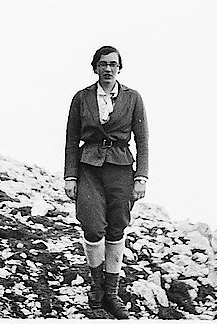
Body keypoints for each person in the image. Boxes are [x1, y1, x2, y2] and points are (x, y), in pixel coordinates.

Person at [64, 45, 149, 319]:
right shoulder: (81, 98)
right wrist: (70, 175)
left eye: (113, 64)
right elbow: (70, 139)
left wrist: (141, 177)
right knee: (91, 224)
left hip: (122, 167)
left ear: (119, 68)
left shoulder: (133, 98)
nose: (108, 69)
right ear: (95, 68)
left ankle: (109, 294)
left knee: (116, 227)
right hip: (88, 166)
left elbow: (143, 139)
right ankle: (96, 287)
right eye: (103, 64)